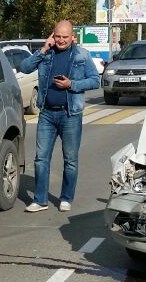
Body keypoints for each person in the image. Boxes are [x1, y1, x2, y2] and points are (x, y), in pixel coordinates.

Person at [18, 20, 100, 212]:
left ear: (73, 37)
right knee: (41, 158)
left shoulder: (82, 55)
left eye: (65, 37)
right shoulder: (47, 53)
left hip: (70, 114)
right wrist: (44, 49)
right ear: (52, 35)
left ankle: (66, 198)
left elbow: (95, 80)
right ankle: (40, 200)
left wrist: (72, 85)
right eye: (57, 36)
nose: (61, 40)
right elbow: (24, 67)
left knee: (70, 159)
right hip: (46, 113)